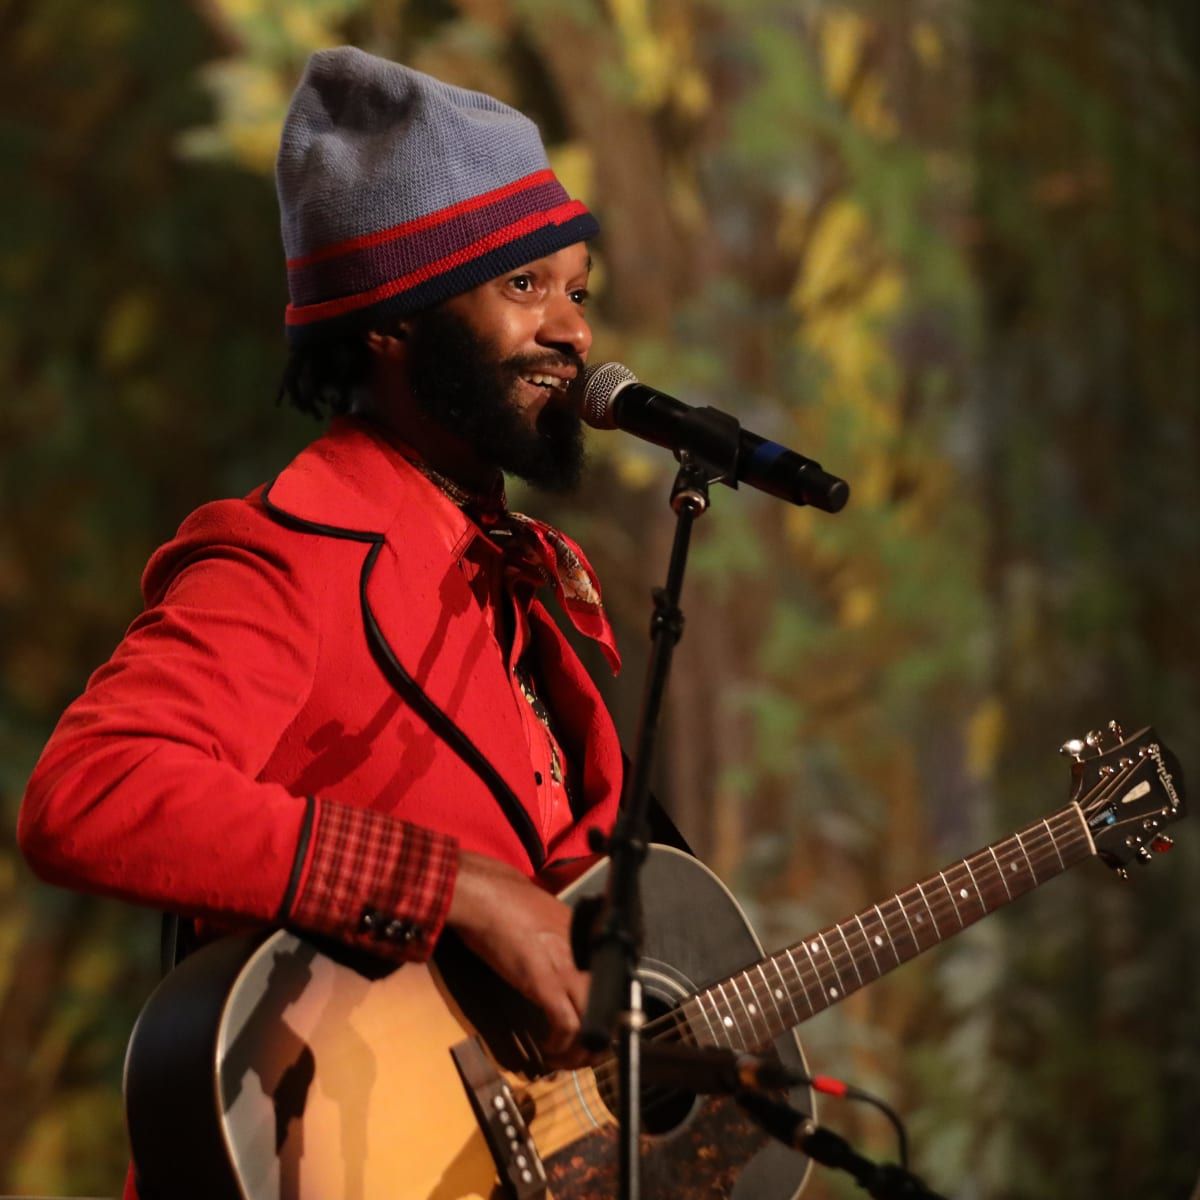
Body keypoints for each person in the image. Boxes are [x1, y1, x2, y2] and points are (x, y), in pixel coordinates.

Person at [17, 46, 635, 1195]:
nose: (575, 335)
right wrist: (449, 885)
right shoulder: (284, 558)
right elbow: (88, 791)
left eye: (577, 291)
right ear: (392, 322)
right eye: (524, 287)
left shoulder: (535, 578)